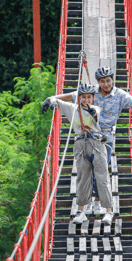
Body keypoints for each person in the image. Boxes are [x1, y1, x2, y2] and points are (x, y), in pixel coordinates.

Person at [45, 67, 132, 212]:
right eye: (102, 81)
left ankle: (97, 201)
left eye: (108, 80)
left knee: (101, 170)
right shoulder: (90, 93)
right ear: (98, 82)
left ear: (113, 80)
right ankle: (87, 203)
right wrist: (51, 98)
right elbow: (71, 96)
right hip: (87, 136)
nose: (106, 84)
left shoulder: (119, 95)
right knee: (86, 172)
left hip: (106, 138)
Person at [41, 83, 115, 225]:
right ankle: (81, 212)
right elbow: (57, 101)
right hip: (81, 144)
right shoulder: (73, 109)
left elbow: (96, 113)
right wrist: (49, 100)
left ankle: (109, 212)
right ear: (79, 97)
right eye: (83, 97)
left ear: (93, 98)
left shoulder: (97, 108)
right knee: (82, 178)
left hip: (97, 144)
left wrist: (92, 111)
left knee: (102, 177)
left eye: (89, 97)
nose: (86, 100)